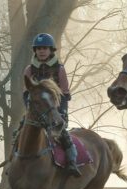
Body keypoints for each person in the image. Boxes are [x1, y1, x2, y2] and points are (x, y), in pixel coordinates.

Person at [22, 33, 81, 177]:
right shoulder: (29, 70)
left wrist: (62, 114)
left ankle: (72, 163)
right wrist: (29, 111)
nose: (42, 51)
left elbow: (64, 94)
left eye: (45, 48)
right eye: (39, 48)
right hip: (35, 111)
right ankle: (12, 161)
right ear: (35, 51)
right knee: (19, 134)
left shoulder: (59, 69)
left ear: (51, 50)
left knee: (64, 136)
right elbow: (26, 94)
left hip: (54, 111)